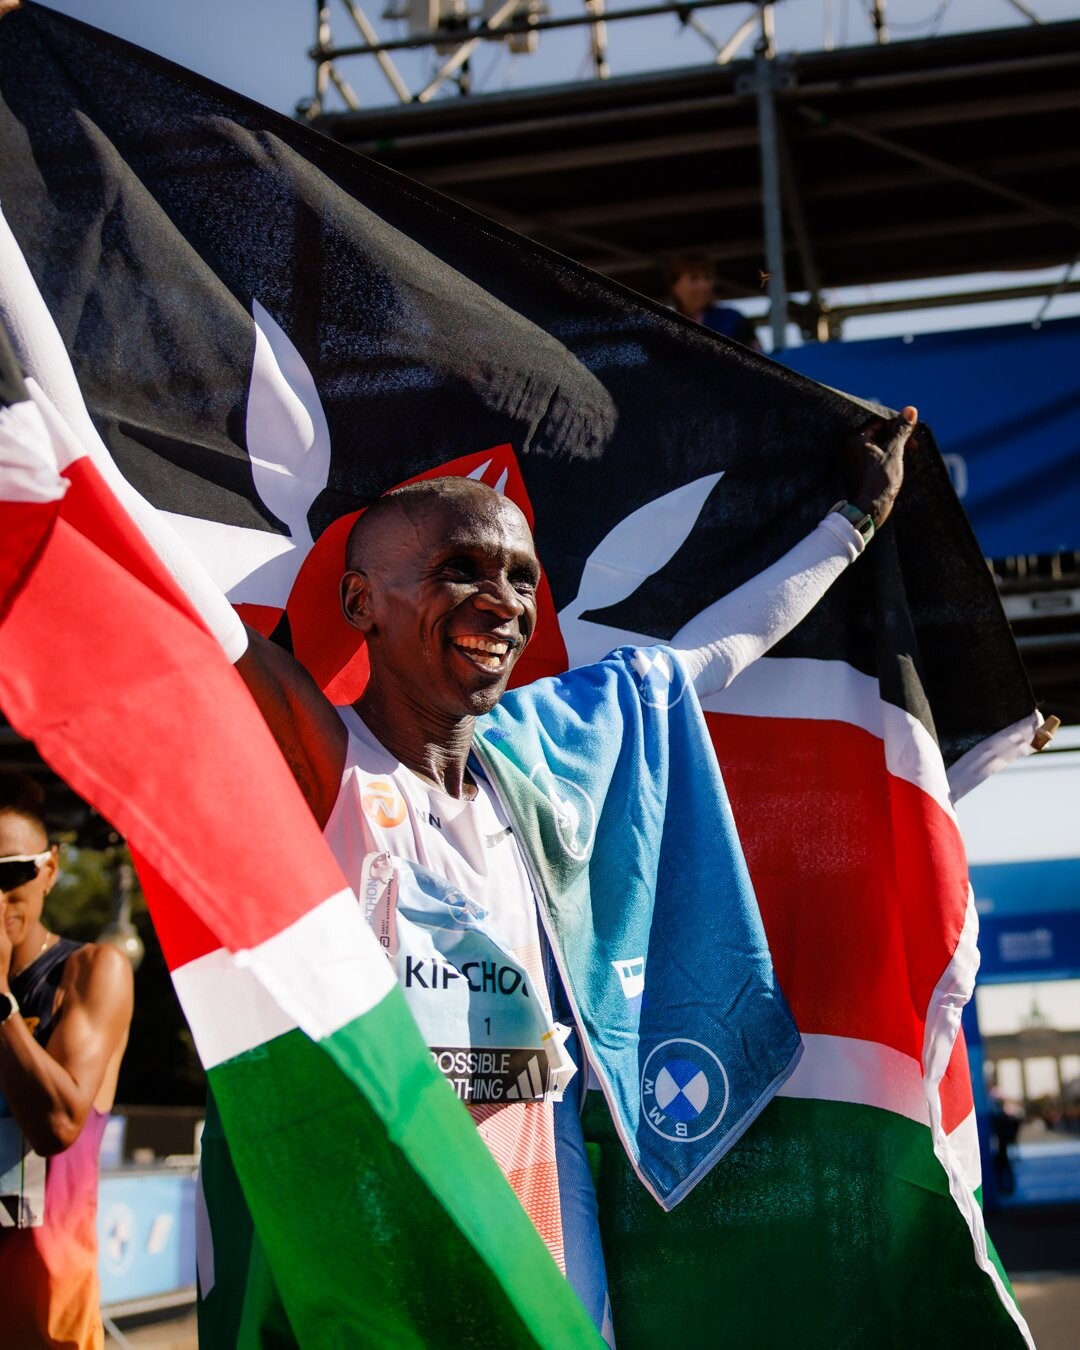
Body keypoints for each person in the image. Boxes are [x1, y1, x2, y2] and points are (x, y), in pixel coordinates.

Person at [170, 396, 914, 1341]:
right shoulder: (323, 757)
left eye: (522, 578)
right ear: (361, 603)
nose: (504, 603)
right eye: (458, 570)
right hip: (379, 1226)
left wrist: (851, 527)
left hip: (544, 1216)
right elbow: (182, 607)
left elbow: (708, 658)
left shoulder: (545, 761)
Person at [0, 771, 134, 1350]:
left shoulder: (91, 972)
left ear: (50, 869)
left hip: (48, 1323)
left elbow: (57, 1125)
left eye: (11, 873)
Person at [664, 252, 761, 349]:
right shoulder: (666, 328)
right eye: (694, 278)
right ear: (675, 286)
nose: (704, 285)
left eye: (708, 277)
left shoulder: (734, 320)